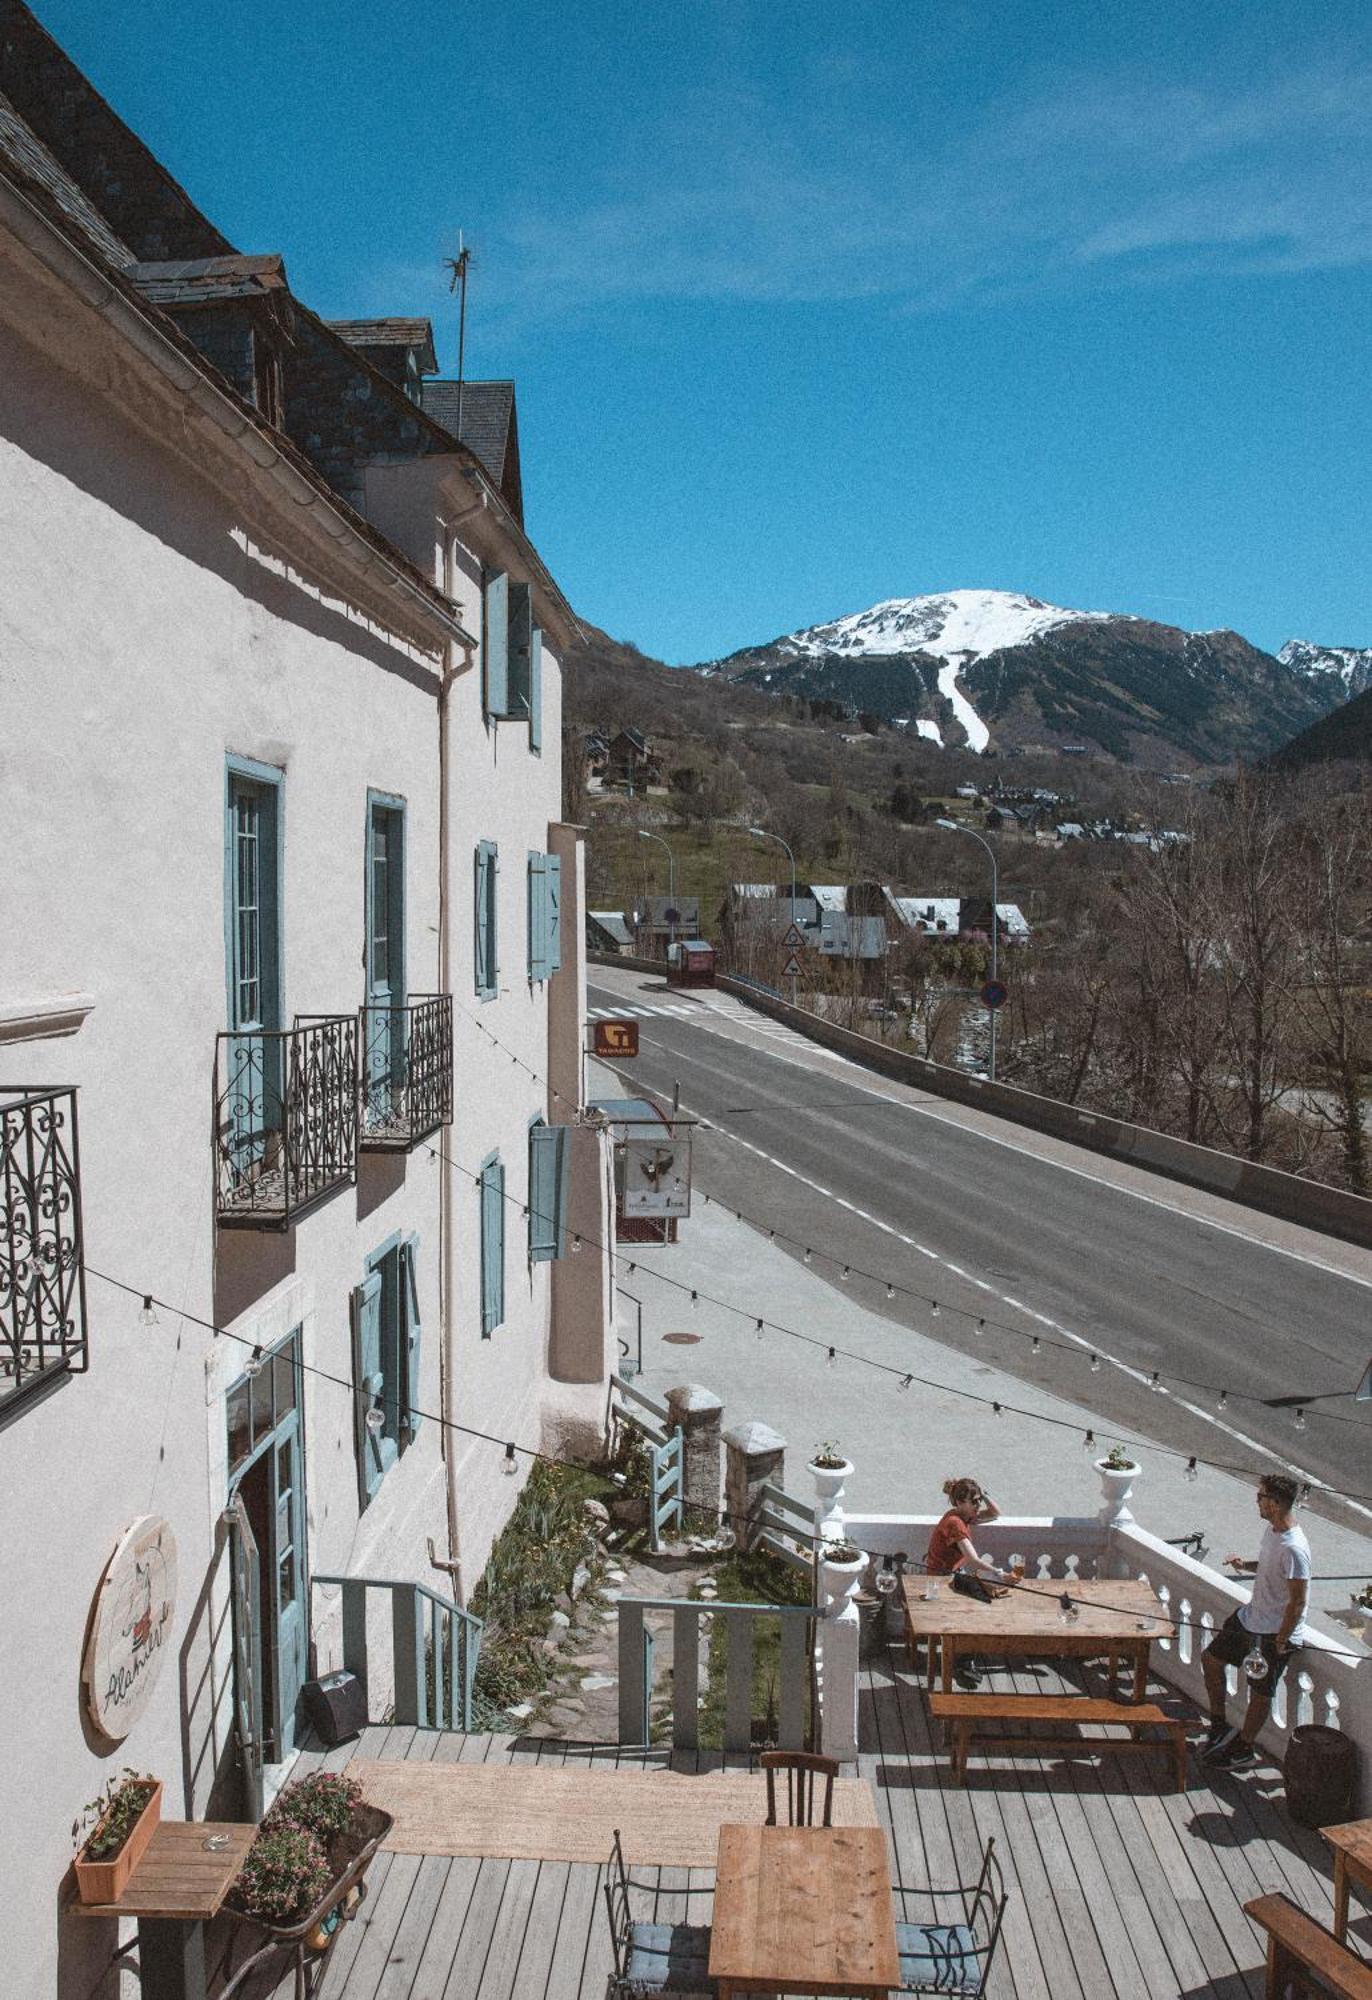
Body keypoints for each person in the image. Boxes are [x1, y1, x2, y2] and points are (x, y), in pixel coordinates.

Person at [1201, 1471, 1310, 1769]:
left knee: (1260, 1692)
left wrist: (1281, 1638)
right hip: (1250, 1619)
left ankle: (1244, 1747)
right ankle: (1219, 1724)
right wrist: (1244, 1564)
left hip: (1272, 1632)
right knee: (1210, 1660)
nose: (1256, 1501)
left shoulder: (1295, 1548)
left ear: (1274, 1503)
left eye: (1260, 1496)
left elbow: (1298, 1600)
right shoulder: (1273, 1532)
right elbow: (1269, 1565)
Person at [926, 1478, 1004, 1689]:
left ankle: (964, 1657)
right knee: (977, 1608)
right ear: (960, 1502)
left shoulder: (963, 1516)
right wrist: (998, 1573)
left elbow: (996, 1513)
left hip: (951, 1575)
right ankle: (962, 1661)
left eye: (979, 1501)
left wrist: (984, 1494)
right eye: (974, 1501)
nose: (978, 1506)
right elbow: (973, 1559)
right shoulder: (955, 1523)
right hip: (940, 1580)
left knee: (983, 1602)